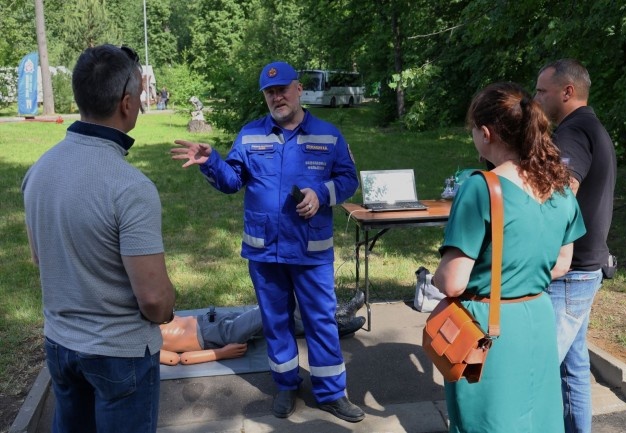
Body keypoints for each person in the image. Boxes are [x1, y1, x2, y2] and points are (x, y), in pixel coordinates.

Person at [170, 61, 365, 423]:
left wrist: (321, 194)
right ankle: (286, 385)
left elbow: (348, 179)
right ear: (265, 96)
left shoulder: (328, 134)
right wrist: (210, 161)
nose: (277, 97)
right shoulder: (249, 136)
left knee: (320, 320)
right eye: (269, 92)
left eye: (283, 89)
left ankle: (331, 392)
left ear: (298, 90)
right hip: (265, 251)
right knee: (276, 322)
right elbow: (231, 182)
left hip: (310, 250)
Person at [21, 44, 176, 433]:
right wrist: (168, 312)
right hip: (119, 356)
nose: (140, 104)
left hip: (59, 346)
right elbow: (154, 300)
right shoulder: (130, 187)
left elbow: (41, 259)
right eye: (139, 97)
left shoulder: (38, 172)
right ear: (126, 104)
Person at [433, 82, 586, 433]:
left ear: (486, 134)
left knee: (487, 423)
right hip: (537, 317)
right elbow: (563, 263)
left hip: (488, 329)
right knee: (538, 421)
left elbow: (453, 281)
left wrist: (435, 277)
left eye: (473, 131)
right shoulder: (559, 184)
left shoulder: (481, 186)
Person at [535, 59, 617, 433]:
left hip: (568, 273)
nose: (536, 99)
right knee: (574, 368)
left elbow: (559, 197)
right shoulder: (592, 126)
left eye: (542, 92)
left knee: (535, 373)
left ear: (567, 92)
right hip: (586, 268)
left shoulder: (571, 133)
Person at [159, 291, 367, 366]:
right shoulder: (144, 342)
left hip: (216, 320)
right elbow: (179, 359)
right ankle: (337, 315)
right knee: (277, 305)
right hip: (223, 335)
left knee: (278, 320)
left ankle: (335, 323)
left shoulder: (147, 316)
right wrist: (221, 353)